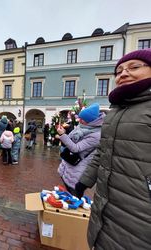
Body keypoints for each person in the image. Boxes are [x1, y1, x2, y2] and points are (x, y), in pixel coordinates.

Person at [74, 49, 151, 249]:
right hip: (106, 205)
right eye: (118, 71)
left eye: (134, 67)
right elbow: (103, 151)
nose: (123, 74)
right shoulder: (116, 111)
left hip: (140, 214)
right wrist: (84, 181)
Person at [56, 103, 105, 196]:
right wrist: (65, 133)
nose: (80, 120)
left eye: (83, 119)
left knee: (74, 197)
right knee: (66, 196)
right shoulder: (83, 126)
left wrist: (62, 135)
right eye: (80, 118)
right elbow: (70, 139)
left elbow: (76, 148)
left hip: (78, 170)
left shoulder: (96, 135)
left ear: (91, 121)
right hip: (69, 166)